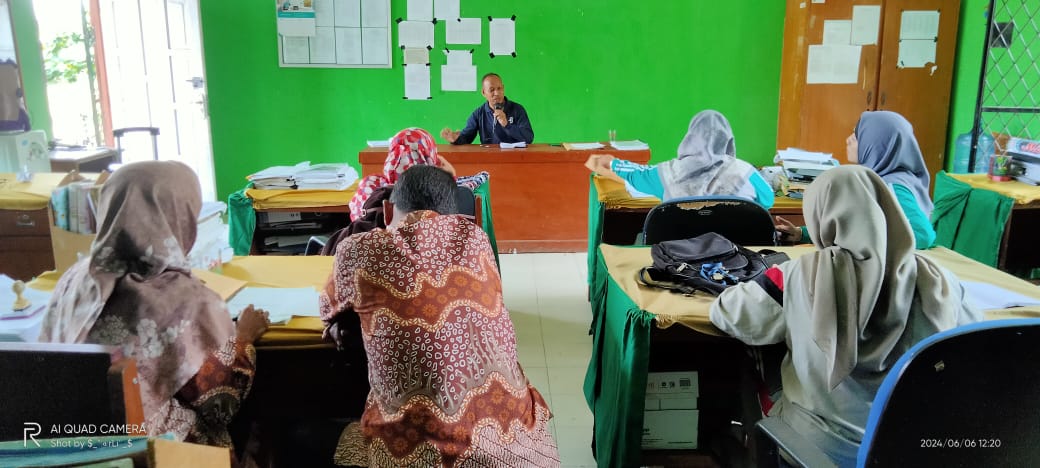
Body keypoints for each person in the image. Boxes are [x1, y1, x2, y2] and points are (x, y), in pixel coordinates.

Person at [710, 165, 980, 466]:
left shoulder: (800, 275)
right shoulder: (940, 280)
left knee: (750, 358)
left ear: (821, 216)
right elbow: (971, 339)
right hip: (910, 445)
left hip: (816, 446)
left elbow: (729, 314)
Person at [320, 165, 559, 467]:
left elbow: (327, 310)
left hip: (420, 457)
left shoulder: (358, 248)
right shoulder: (476, 238)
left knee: (332, 436)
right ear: (453, 211)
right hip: (522, 453)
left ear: (387, 208)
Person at [39, 161, 270, 451]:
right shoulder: (184, 298)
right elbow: (219, 403)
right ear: (180, 218)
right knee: (262, 428)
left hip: (62, 444)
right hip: (148, 452)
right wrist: (244, 337)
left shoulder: (74, 278)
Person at [776, 111, 937, 249]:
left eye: (858, 135)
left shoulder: (892, 185)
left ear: (877, 144)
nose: (849, 140)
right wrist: (802, 233)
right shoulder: (897, 178)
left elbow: (922, 235)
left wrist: (855, 239)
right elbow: (855, 226)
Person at [584, 109, 774, 208]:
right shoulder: (745, 171)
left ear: (690, 137)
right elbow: (767, 201)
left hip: (680, 260)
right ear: (728, 140)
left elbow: (636, 175)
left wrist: (611, 162)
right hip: (735, 260)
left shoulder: (669, 172)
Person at [440, 73, 535, 145]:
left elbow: (528, 138)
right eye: (492, 90)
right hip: (489, 159)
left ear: (503, 88)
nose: (497, 93)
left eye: (499, 88)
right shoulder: (478, 114)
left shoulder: (517, 109)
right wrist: (455, 139)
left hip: (515, 158)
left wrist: (507, 125)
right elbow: (466, 138)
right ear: (483, 92)